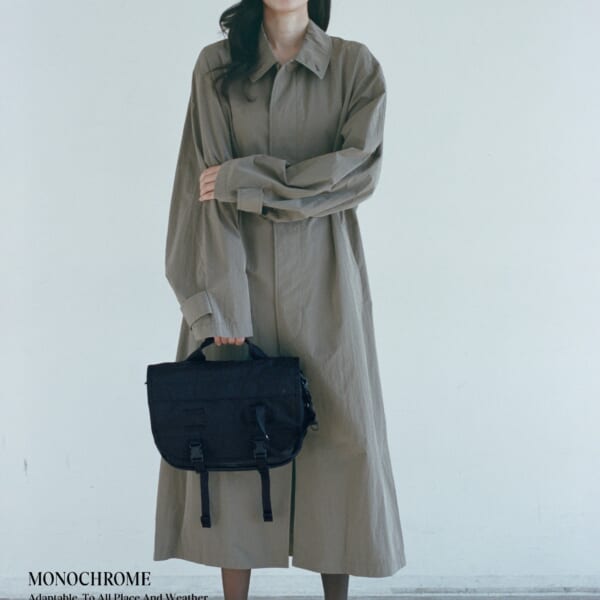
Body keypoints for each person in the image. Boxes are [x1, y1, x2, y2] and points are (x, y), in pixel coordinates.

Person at [153, 1, 407, 599]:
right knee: (231, 444)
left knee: (340, 443)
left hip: (327, 287)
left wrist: (248, 180)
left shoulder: (355, 67)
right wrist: (218, 307)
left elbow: (355, 175)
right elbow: (200, 192)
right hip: (235, 280)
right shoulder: (216, 68)